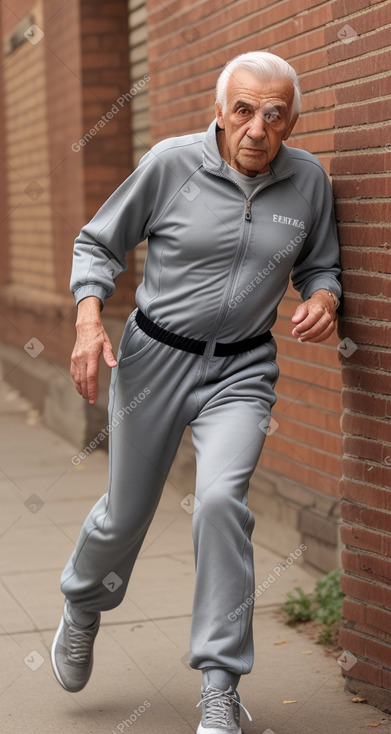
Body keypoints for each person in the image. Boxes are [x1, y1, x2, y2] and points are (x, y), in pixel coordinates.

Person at [51, 51, 341, 734]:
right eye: (242, 109)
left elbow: (322, 262)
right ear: (218, 111)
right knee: (125, 514)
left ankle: (219, 684)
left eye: (274, 114)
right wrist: (89, 320)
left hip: (241, 370)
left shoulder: (307, 182)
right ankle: (84, 604)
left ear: (291, 120)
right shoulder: (169, 165)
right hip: (152, 360)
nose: (256, 127)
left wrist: (325, 297)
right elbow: (97, 244)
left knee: (218, 500)